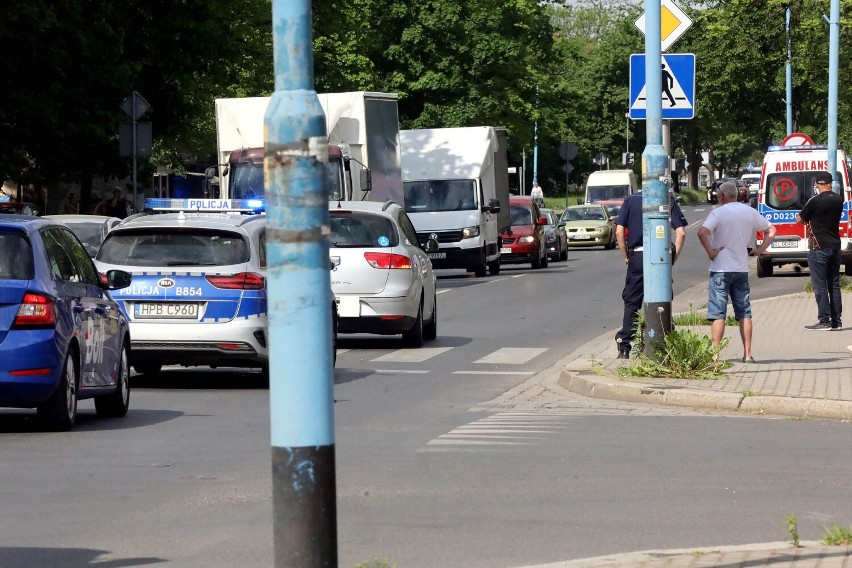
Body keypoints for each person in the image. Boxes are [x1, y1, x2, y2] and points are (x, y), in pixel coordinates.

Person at [697, 181, 776, 362]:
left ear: (722, 196)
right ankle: (747, 354)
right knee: (744, 312)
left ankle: (715, 355)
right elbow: (771, 230)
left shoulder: (718, 213)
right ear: (738, 195)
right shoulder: (749, 212)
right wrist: (759, 249)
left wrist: (711, 253)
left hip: (720, 269)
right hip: (740, 270)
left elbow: (702, 232)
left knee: (718, 313)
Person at [614, 190, 688, 359]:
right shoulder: (666, 198)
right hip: (660, 256)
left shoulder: (630, 200)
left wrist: (626, 255)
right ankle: (662, 340)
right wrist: (673, 258)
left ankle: (625, 346)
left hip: (637, 256)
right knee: (662, 298)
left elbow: (619, 232)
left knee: (632, 302)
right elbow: (681, 232)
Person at [796, 171, 843, 331]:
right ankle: (836, 321)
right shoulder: (838, 200)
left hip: (818, 248)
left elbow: (800, 219)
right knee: (834, 285)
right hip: (835, 246)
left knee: (820, 285)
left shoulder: (814, 201)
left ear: (816, 185)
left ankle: (825, 321)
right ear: (831, 183)